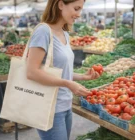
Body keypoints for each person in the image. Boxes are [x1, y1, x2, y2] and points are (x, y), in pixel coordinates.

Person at [27, 0, 100, 140]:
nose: (79, 14)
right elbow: (31, 72)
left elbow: (60, 72)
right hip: (48, 108)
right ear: (61, 4)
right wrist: (67, 84)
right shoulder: (43, 31)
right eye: (76, 8)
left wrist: (83, 77)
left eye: (81, 10)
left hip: (65, 105)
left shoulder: (64, 33)